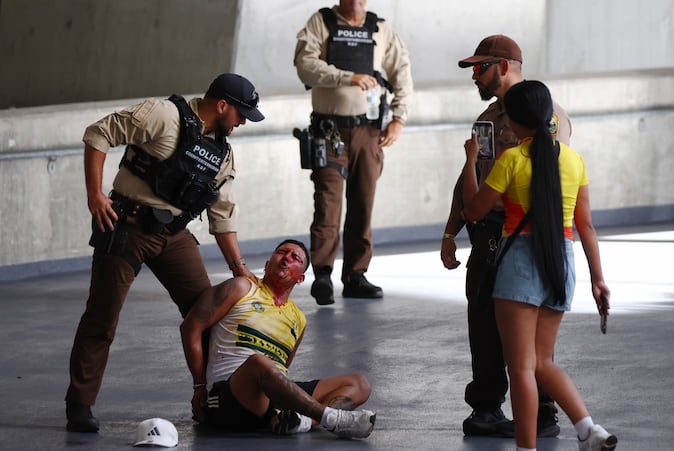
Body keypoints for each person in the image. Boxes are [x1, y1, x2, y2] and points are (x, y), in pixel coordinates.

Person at [65, 73, 263, 433]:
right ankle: (80, 402)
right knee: (102, 319)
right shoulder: (163, 114)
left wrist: (240, 270)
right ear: (222, 105)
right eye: (241, 114)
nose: (243, 122)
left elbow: (222, 215)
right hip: (126, 225)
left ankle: (215, 399)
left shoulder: (222, 152)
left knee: (208, 313)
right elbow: (98, 133)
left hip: (173, 235)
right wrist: (94, 194)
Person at [462, 80, 617, 451]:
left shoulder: (511, 159)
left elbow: (474, 210)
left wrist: (471, 161)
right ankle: (588, 429)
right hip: (561, 262)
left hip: (519, 264)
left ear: (516, 122)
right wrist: (598, 280)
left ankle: (526, 448)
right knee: (543, 361)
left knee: (521, 368)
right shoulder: (574, 160)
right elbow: (586, 227)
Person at [440, 35, 571, 437]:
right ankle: (486, 406)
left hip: (523, 232)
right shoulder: (488, 118)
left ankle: (542, 411)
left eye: (480, 68)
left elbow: (548, 175)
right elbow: (471, 176)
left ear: (504, 65)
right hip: (486, 232)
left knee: (525, 324)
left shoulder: (544, 113)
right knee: (481, 319)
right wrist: (452, 228)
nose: (475, 76)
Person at [179, 239, 376, 439]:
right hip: (229, 396)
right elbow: (190, 327)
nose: (286, 259)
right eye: (282, 253)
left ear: (300, 278)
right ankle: (332, 419)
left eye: (294, 258)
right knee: (259, 362)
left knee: (360, 384)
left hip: (270, 399)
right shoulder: (242, 287)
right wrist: (199, 386)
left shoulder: (299, 319)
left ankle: (303, 421)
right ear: (267, 263)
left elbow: (283, 366)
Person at [294, 0, 414, 305]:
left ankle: (356, 276)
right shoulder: (320, 22)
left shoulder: (381, 28)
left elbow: (402, 71)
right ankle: (322, 273)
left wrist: (399, 119)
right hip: (328, 130)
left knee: (363, 202)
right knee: (327, 203)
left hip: (369, 131)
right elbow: (305, 66)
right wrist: (347, 77)